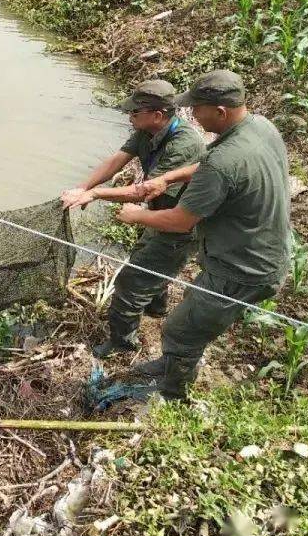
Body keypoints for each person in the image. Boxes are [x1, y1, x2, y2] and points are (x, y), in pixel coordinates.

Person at [114, 70, 291, 401]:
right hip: (266, 252)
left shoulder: (224, 161)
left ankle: (172, 395)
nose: (191, 114)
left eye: (197, 108)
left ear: (220, 112)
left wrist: (136, 215)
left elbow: (181, 221)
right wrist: (169, 178)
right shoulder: (259, 128)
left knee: (180, 329)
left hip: (243, 268)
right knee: (189, 323)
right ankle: (172, 363)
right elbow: (211, 163)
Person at [61, 80, 206, 357]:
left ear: (158, 115)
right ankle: (156, 307)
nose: (130, 117)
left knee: (131, 282)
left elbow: (142, 191)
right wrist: (84, 187)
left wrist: (96, 195)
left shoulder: (184, 144)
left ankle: (122, 345)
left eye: (135, 113)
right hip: (159, 213)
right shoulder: (147, 130)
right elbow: (118, 159)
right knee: (153, 265)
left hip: (180, 224)